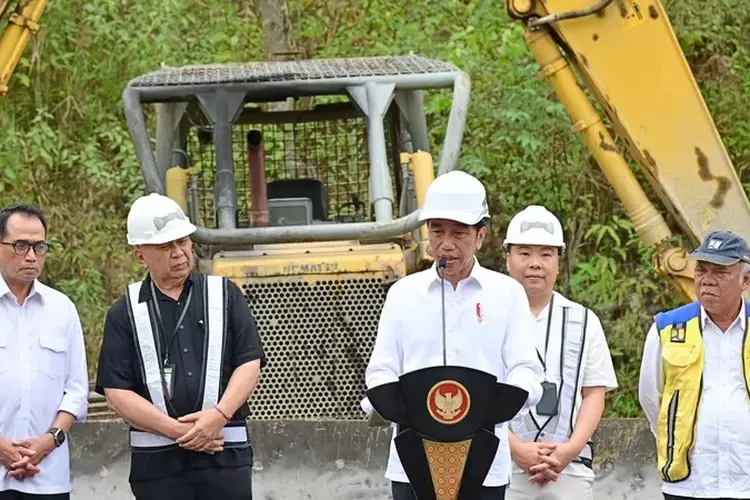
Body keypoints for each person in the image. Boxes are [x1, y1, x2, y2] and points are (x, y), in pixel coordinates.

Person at [363, 171, 544, 500]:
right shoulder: (403, 294)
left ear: (480, 236)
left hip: (485, 461)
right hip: (412, 462)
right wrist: (390, 403)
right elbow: (381, 369)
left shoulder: (507, 294)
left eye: (459, 233)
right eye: (437, 231)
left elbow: (526, 369)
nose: (446, 244)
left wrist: (503, 403)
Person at [94, 193, 266, 500]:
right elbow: (117, 392)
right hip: (159, 467)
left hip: (225, 456)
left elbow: (249, 362)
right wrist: (182, 433)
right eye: (164, 246)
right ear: (140, 256)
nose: (178, 253)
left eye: (183, 242)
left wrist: (218, 416)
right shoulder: (124, 312)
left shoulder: (225, 295)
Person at [502, 205, 618, 500]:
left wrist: (568, 450)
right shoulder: (488, 316)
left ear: (558, 260)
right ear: (508, 258)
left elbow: (594, 393)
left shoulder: (583, 320)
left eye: (546, 254)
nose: (535, 263)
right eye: (524, 253)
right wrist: (515, 449)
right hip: (502, 467)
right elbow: (477, 393)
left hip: (569, 469)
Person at [639, 230, 750, 500]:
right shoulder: (667, 328)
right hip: (689, 483)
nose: (707, 281)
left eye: (720, 273)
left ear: (745, 279)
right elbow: (651, 398)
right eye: (701, 270)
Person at [0, 204, 89, 500]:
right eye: (20, 245)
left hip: (48, 474)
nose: (31, 255)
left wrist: (48, 441)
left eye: (39, 246)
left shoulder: (62, 309)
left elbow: (76, 391)